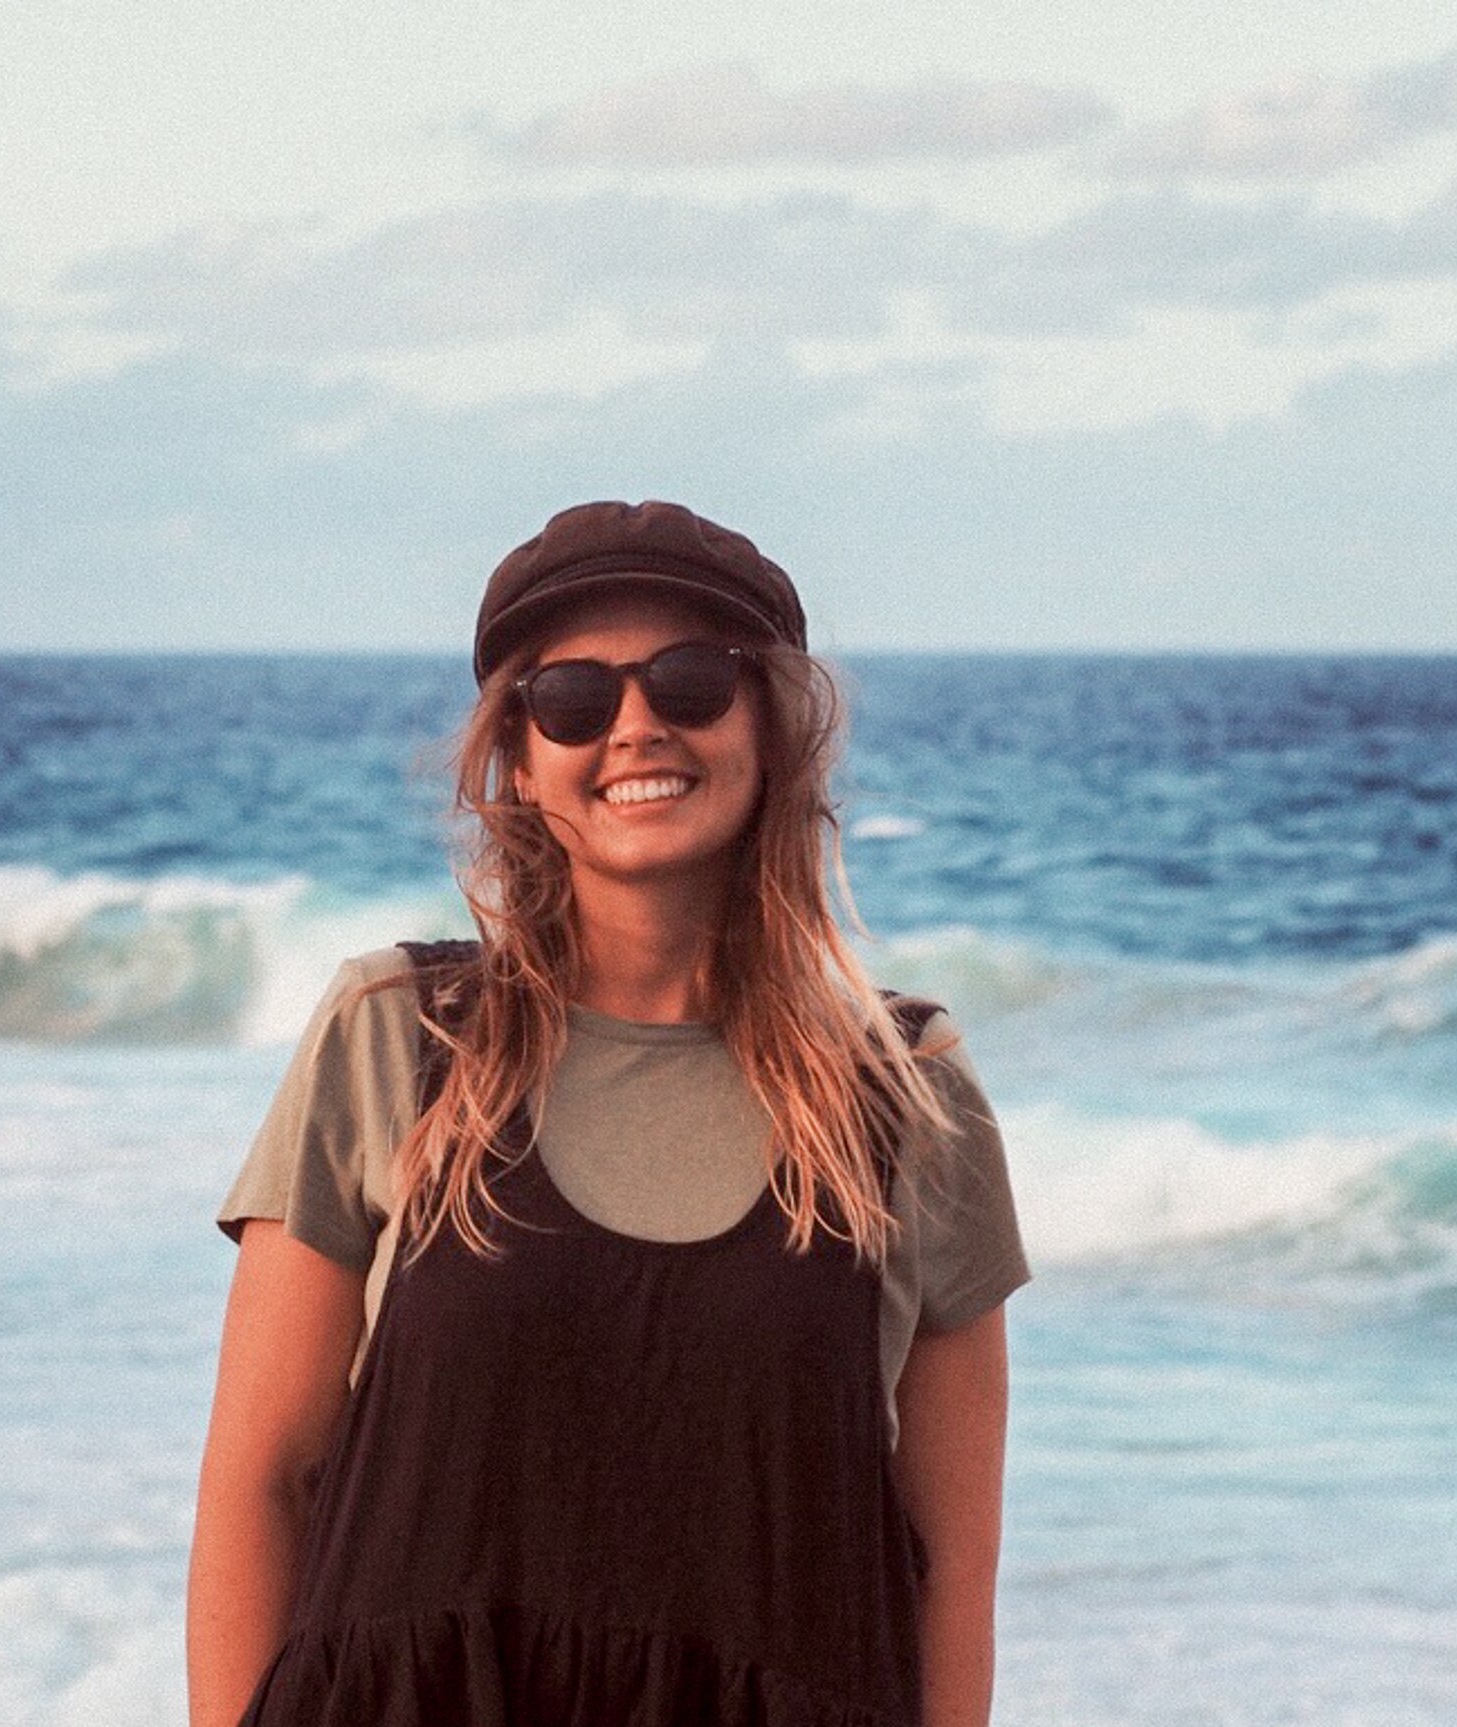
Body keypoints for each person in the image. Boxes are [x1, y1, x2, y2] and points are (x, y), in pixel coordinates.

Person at [188, 500, 1028, 1727]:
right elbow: (261, 1483)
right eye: (571, 696)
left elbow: (952, 1565)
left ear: (772, 722)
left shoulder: (904, 1094)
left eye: (691, 680)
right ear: (519, 757)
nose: (635, 724)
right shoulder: (398, 1033)